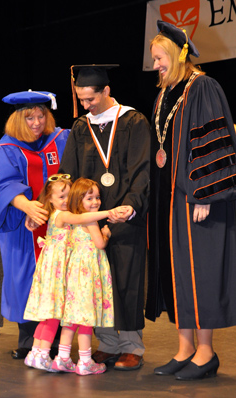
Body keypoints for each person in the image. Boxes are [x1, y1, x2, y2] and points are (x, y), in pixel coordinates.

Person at [145, 20, 236, 380]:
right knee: (177, 274)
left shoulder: (203, 88)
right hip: (170, 204)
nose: (155, 66)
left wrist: (206, 194)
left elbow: (212, 142)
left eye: (159, 58)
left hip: (198, 200)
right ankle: (184, 349)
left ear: (177, 54)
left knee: (200, 273)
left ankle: (206, 352)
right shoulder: (165, 94)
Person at [59, 64, 150, 370]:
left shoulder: (133, 121)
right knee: (95, 281)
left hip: (124, 216)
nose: (86, 106)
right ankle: (108, 344)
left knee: (126, 279)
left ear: (106, 91)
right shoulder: (81, 127)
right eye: (81, 100)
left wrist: (132, 205)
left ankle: (131, 346)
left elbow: (141, 170)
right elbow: (69, 172)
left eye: (90, 99)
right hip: (90, 219)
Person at [0, 90, 70, 359]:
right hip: (22, 230)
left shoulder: (61, 139)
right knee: (25, 280)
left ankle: (55, 339)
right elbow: (1, 186)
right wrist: (26, 205)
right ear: (17, 120)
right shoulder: (4, 149)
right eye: (30, 117)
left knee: (58, 278)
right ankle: (27, 340)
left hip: (60, 227)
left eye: (41, 116)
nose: (36, 123)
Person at [24, 175, 123, 373]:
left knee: (54, 316)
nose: (66, 200)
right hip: (58, 271)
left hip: (63, 270)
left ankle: (39, 353)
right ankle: (44, 355)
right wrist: (108, 218)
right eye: (61, 196)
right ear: (49, 199)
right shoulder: (63, 215)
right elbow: (84, 222)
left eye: (69, 195)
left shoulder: (62, 215)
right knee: (54, 316)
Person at [52, 177, 114, 375]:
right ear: (78, 200)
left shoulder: (73, 220)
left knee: (72, 317)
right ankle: (85, 361)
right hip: (88, 275)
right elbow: (99, 244)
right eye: (90, 198)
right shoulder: (91, 220)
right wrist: (106, 234)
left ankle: (62, 358)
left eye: (97, 197)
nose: (95, 202)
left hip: (75, 273)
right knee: (87, 317)